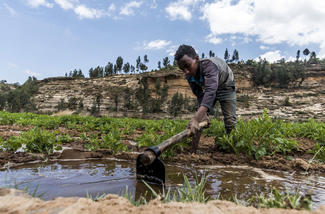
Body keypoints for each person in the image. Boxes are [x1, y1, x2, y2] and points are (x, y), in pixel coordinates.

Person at [174, 44, 237, 139]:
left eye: (187, 66)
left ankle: (231, 144)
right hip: (211, 89)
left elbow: (210, 92)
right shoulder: (189, 75)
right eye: (182, 69)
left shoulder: (209, 66)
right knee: (201, 117)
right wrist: (203, 115)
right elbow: (199, 94)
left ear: (197, 59)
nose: (186, 72)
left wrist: (196, 118)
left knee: (230, 120)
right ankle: (194, 149)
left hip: (226, 86)